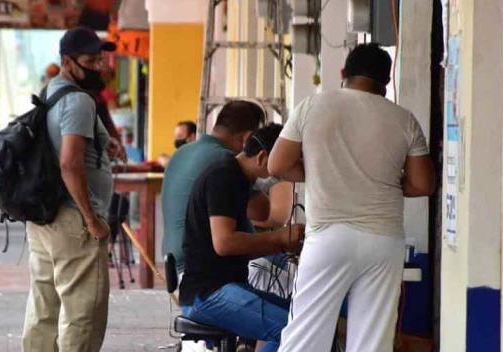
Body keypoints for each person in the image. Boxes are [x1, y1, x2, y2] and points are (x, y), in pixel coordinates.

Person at [269, 43, 435, 352]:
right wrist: (383, 182)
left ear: (344, 73)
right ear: (385, 83)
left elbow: (277, 165)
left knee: (305, 336)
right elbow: (423, 184)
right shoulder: (404, 119)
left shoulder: (313, 106)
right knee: (372, 342)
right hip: (383, 241)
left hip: (328, 238)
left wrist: (323, 172)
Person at [22, 27, 115, 352]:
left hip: (45, 214)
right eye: (91, 60)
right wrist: (92, 220)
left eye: (101, 59)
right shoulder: (78, 101)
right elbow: (70, 163)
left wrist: (105, 147)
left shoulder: (51, 92)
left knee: (43, 306)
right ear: (67, 61)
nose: (99, 66)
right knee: (82, 312)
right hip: (74, 219)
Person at [179, 124, 303, 352]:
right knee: (295, 328)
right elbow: (225, 243)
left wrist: (282, 244)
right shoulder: (223, 176)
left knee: (300, 317)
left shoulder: (236, 177)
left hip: (221, 285)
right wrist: (280, 239)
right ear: (263, 157)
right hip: (208, 293)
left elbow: (260, 216)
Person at [161, 100, 265, 272]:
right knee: (286, 276)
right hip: (200, 267)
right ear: (247, 138)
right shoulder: (225, 160)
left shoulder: (182, 152)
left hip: (173, 263)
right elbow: (261, 211)